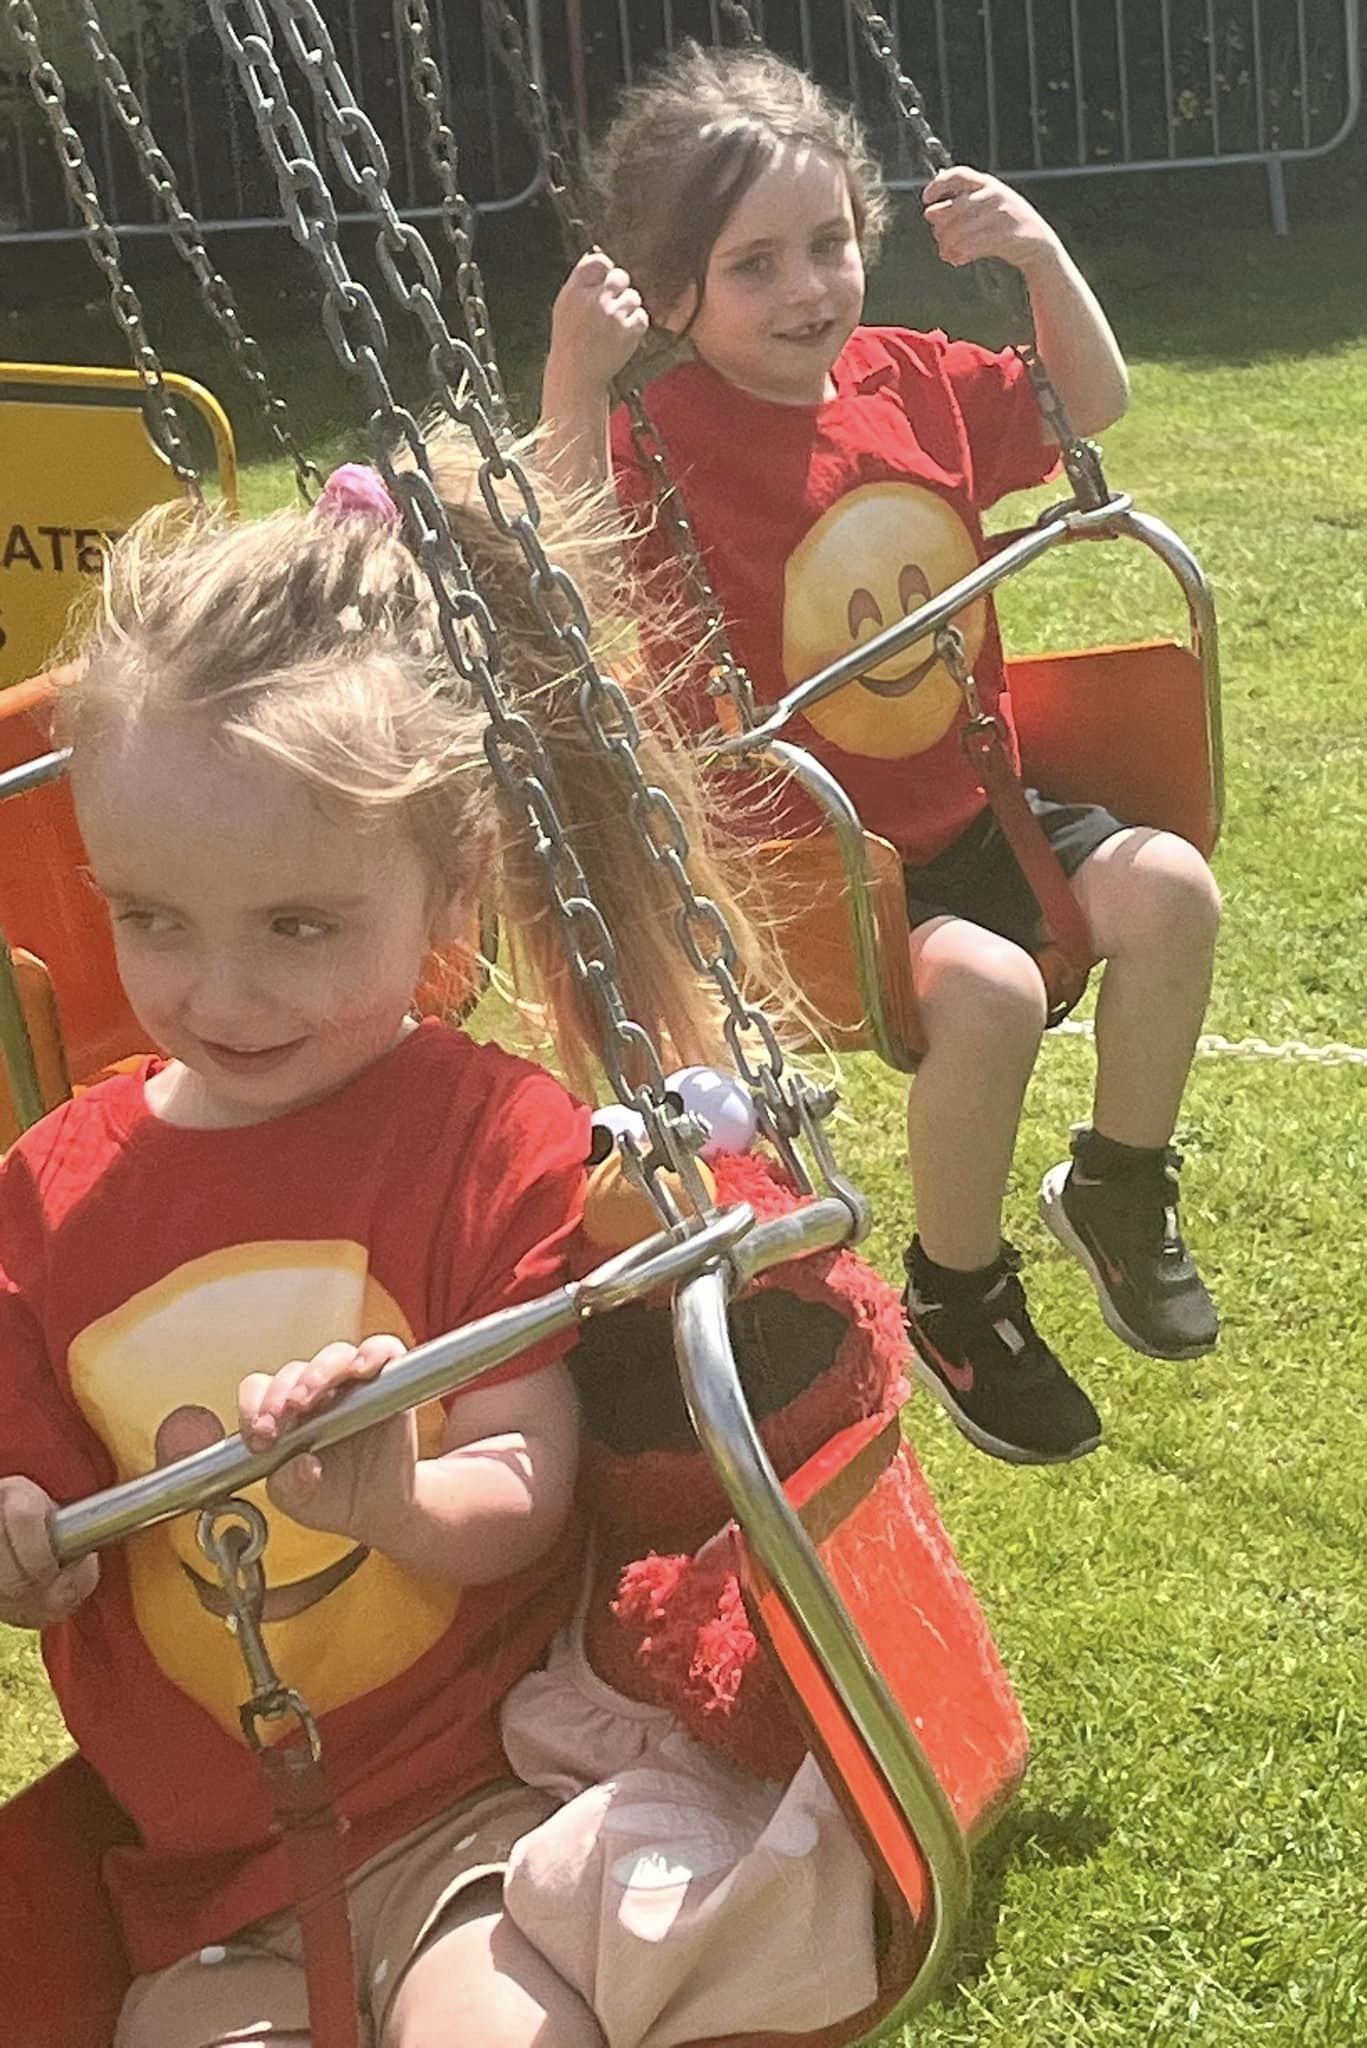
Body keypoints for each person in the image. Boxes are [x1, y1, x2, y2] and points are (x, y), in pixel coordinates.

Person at [0, 444, 874, 2048]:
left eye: (299, 927)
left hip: (478, 1820)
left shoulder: (489, 1135)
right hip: (210, 1887)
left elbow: (525, 1482)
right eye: (152, 919)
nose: (217, 995)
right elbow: (32, 1492)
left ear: (447, 882)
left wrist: (394, 1492)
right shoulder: (49, 1192)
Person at [539, 40, 1223, 1471]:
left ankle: (1118, 1183)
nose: (809, 289)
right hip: (814, 856)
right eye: (754, 266)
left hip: (985, 809)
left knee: (1171, 894)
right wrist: (573, 370)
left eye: (831, 244)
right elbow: (569, 555)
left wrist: (1037, 256)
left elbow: (1084, 406)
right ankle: (959, 1294)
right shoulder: (660, 434)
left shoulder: (912, 380)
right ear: (673, 295)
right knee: (982, 993)